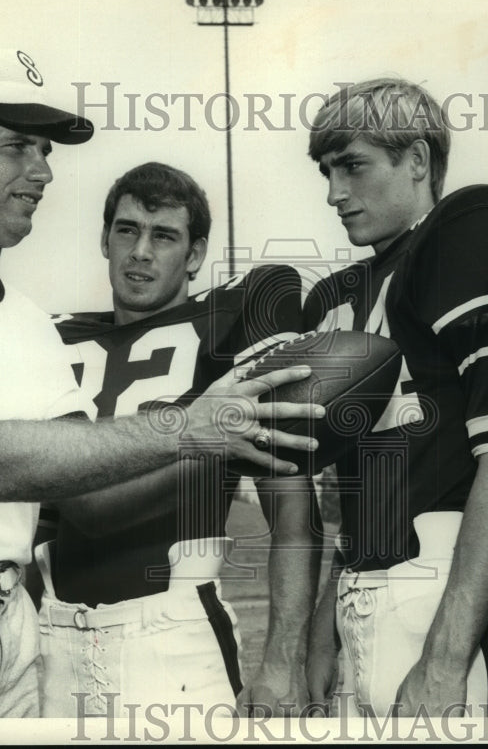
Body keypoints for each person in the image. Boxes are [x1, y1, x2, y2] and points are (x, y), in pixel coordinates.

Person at [0, 44, 321, 718]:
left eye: (46, 151)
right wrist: (187, 428)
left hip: (24, 632)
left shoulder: (24, 319)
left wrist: (221, 437)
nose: (44, 171)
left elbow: (90, 501)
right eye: (19, 146)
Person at [291, 78, 488, 718]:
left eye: (353, 165)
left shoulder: (463, 232)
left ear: (419, 161)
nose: (334, 193)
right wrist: (327, 613)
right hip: (361, 578)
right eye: (326, 171)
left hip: (438, 579)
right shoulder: (332, 297)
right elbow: (367, 482)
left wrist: (447, 656)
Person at [35, 161, 321, 718]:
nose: (140, 251)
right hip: (52, 634)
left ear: (194, 255)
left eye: (163, 235)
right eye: (127, 230)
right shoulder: (53, 338)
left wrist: (285, 657)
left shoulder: (224, 327)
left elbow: (290, 503)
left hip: (170, 634)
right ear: (104, 239)